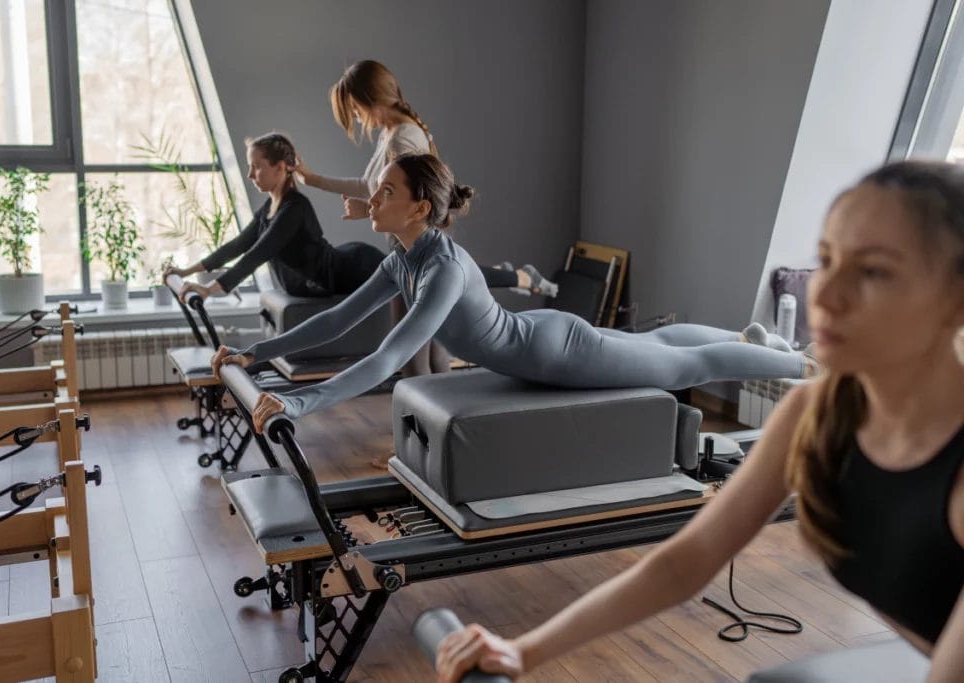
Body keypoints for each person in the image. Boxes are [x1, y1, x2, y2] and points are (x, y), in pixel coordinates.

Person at [432, 160, 964, 683]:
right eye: (827, 259)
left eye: (873, 271)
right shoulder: (818, 412)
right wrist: (522, 650)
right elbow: (687, 561)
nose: (824, 295)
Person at [212, 153, 810, 431]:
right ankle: (748, 335)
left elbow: (389, 357)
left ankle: (800, 362)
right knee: (662, 344)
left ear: (419, 207)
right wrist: (256, 357)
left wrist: (299, 401)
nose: (372, 201)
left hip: (560, 355)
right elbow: (338, 320)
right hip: (546, 343)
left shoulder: (441, 268)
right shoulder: (404, 258)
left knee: (685, 366)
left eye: (384, 192)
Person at [295, 59, 559, 376]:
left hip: (411, 249)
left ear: (371, 99)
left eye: (355, 109)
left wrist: (365, 209)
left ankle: (421, 423)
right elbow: (372, 186)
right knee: (431, 350)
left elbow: (409, 202)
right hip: (407, 246)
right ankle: (440, 422)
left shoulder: (402, 139)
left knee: (411, 354)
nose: (357, 118)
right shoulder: (394, 133)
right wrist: (313, 180)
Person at [165, 132, 384, 301]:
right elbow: (238, 245)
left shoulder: (295, 208)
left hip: (358, 267)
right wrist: (186, 271)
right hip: (330, 268)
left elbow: (257, 254)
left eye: (256, 167)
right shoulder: (271, 207)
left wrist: (208, 290)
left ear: (280, 168)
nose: (250, 175)